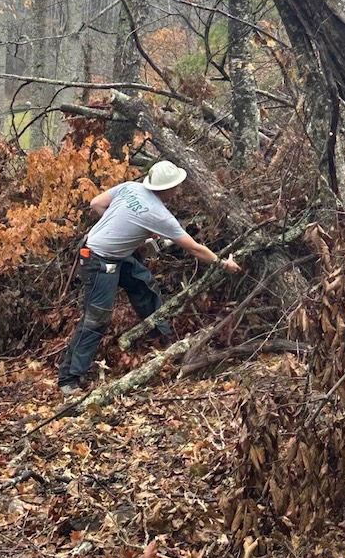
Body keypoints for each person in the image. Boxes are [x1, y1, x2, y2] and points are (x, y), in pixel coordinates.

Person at [58, 159, 241, 397]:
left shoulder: (131, 187)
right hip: (98, 261)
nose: (179, 190)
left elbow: (97, 203)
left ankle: (162, 338)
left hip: (110, 254)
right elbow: (194, 248)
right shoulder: (159, 215)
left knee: (143, 283)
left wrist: (128, 234)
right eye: (177, 185)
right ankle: (69, 378)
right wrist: (222, 263)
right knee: (97, 319)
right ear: (168, 188)